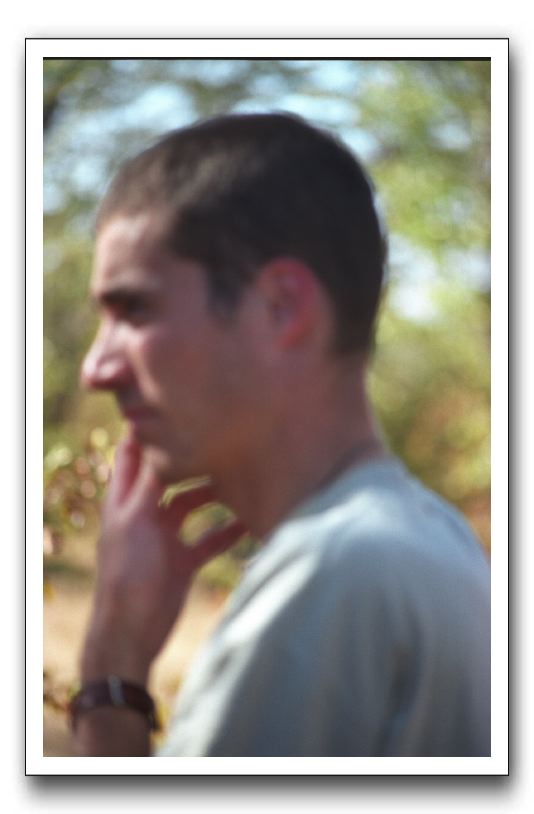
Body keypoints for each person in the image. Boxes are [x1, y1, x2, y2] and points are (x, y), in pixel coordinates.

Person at [73, 112, 490, 757]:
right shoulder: (435, 537)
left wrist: (109, 669)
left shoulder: (332, 578)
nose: (96, 369)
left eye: (135, 309)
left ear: (282, 307)